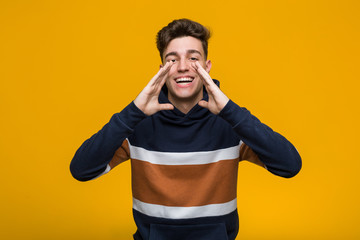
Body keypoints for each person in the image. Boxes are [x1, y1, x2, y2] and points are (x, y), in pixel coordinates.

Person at [70, 18, 302, 240]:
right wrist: (133, 112)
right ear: (162, 69)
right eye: (172, 60)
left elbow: (289, 165)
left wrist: (230, 111)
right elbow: (81, 170)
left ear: (207, 67)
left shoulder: (232, 124)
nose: (182, 67)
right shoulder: (136, 125)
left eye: (193, 58)